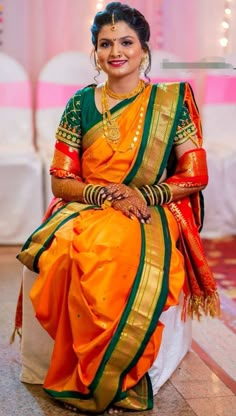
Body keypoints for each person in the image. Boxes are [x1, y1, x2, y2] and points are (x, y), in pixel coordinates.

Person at [17, 2, 220, 413]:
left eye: (126, 41)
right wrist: (103, 194)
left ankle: (113, 375)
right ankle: (91, 372)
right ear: (95, 51)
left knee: (112, 253)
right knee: (63, 255)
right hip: (90, 204)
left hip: (150, 208)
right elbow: (61, 178)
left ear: (144, 49)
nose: (116, 51)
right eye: (105, 43)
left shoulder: (171, 101)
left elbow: (195, 174)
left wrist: (143, 195)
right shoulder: (81, 103)